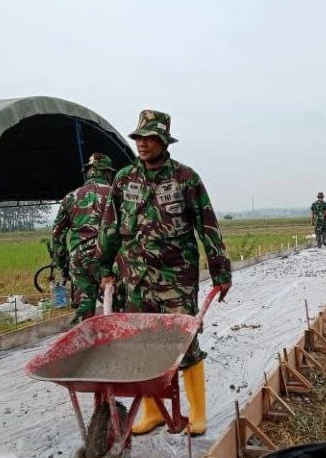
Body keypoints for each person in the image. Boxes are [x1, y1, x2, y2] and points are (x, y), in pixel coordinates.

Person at [98, 110, 232, 436]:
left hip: (176, 279)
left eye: (149, 138)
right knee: (142, 346)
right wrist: (104, 268)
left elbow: (207, 226)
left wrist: (220, 272)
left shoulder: (186, 179)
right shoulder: (124, 179)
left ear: (163, 141)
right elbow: (110, 227)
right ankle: (152, 412)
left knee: (184, 344)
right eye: (139, 138)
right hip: (135, 279)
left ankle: (197, 415)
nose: (142, 144)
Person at [50, 153, 116, 326]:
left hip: (78, 259)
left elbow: (57, 234)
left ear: (88, 172)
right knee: (116, 304)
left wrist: (62, 264)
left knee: (84, 308)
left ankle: (79, 345)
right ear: (107, 173)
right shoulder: (114, 194)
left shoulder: (70, 197)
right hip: (105, 259)